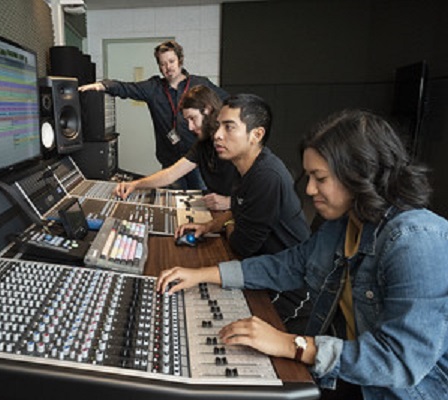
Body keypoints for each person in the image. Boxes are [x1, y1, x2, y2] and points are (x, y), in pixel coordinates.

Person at [157, 109, 448, 400]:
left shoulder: (416, 242)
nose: (309, 189)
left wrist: (291, 344)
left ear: (359, 175)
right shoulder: (345, 223)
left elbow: (398, 362)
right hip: (349, 376)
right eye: (309, 177)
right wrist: (204, 274)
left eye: (319, 178)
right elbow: (289, 265)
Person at [176, 93, 311, 333]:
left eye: (229, 127)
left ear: (256, 135)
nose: (217, 135)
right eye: (218, 126)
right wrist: (210, 226)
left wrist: (228, 223)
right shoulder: (246, 167)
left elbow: (241, 245)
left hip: (286, 291)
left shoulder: (266, 177)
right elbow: (236, 214)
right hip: (262, 271)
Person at [79, 40, 228, 190]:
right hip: (170, 161)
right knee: (174, 206)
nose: (168, 67)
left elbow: (227, 104)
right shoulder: (154, 87)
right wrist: (102, 85)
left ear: (180, 60)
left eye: (171, 61)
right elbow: (127, 88)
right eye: (163, 64)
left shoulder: (200, 84)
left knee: (202, 201)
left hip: (198, 160)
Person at [113, 85, 236, 210]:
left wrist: (230, 202)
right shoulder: (202, 144)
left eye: (193, 118)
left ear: (208, 110)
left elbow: (255, 185)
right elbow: (171, 174)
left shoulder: (237, 141)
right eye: (187, 120)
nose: (190, 127)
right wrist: (135, 185)